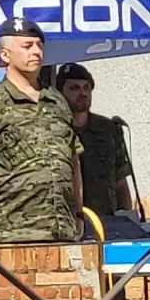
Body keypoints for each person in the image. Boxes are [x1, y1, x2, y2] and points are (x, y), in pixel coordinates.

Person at [0, 16, 82, 245]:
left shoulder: (57, 101)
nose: (36, 52)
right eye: (27, 46)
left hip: (62, 230)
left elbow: (73, 159)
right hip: (13, 231)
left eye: (39, 46)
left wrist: (78, 212)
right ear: (5, 54)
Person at [56, 64, 136, 219]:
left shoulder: (108, 129)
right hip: (67, 221)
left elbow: (120, 181)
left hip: (106, 219)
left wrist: (126, 218)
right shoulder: (53, 128)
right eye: (74, 88)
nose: (83, 93)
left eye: (86, 88)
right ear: (60, 92)